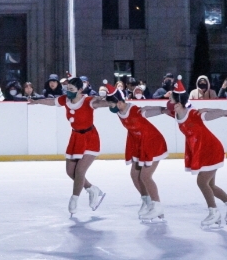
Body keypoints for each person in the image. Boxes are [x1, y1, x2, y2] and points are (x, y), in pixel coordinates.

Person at [165, 77, 227, 229]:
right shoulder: (176, 114)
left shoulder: (194, 113)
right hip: (201, 150)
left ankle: (214, 213)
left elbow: (213, 115)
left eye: (171, 101)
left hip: (211, 149)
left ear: (179, 103)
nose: (169, 104)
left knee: (202, 182)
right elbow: (161, 110)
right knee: (210, 185)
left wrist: (225, 112)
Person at [29, 76, 109, 215]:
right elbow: (51, 101)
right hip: (75, 137)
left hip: (90, 138)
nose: (68, 92)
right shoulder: (65, 100)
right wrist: (37, 102)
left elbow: (102, 103)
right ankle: (91, 189)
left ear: (79, 90)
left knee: (79, 171)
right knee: (70, 171)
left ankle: (74, 199)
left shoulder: (88, 101)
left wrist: (111, 100)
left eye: (71, 89)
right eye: (67, 89)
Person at [108, 90, 168, 222]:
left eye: (111, 104)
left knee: (145, 176)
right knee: (135, 175)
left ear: (119, 102)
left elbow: (148, 111)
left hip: (152, 142)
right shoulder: (119, 111)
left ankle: (157, 206)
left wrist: (163, 109)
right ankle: (147, 202)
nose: (110, 107)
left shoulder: (135, 110)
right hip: (138, 144)